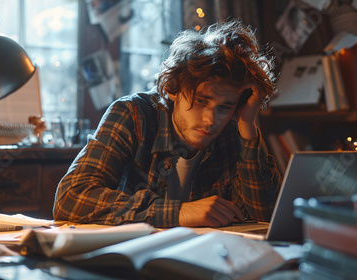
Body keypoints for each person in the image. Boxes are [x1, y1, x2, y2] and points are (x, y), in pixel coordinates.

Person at [53, 19, 282, 228]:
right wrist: (177, 212)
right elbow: (71, 197)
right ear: (173, 89)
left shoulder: (234, 131)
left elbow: (267, 218)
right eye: (201, 101)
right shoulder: (133, 114)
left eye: (225, 107)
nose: (211, 120)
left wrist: (248, 125)